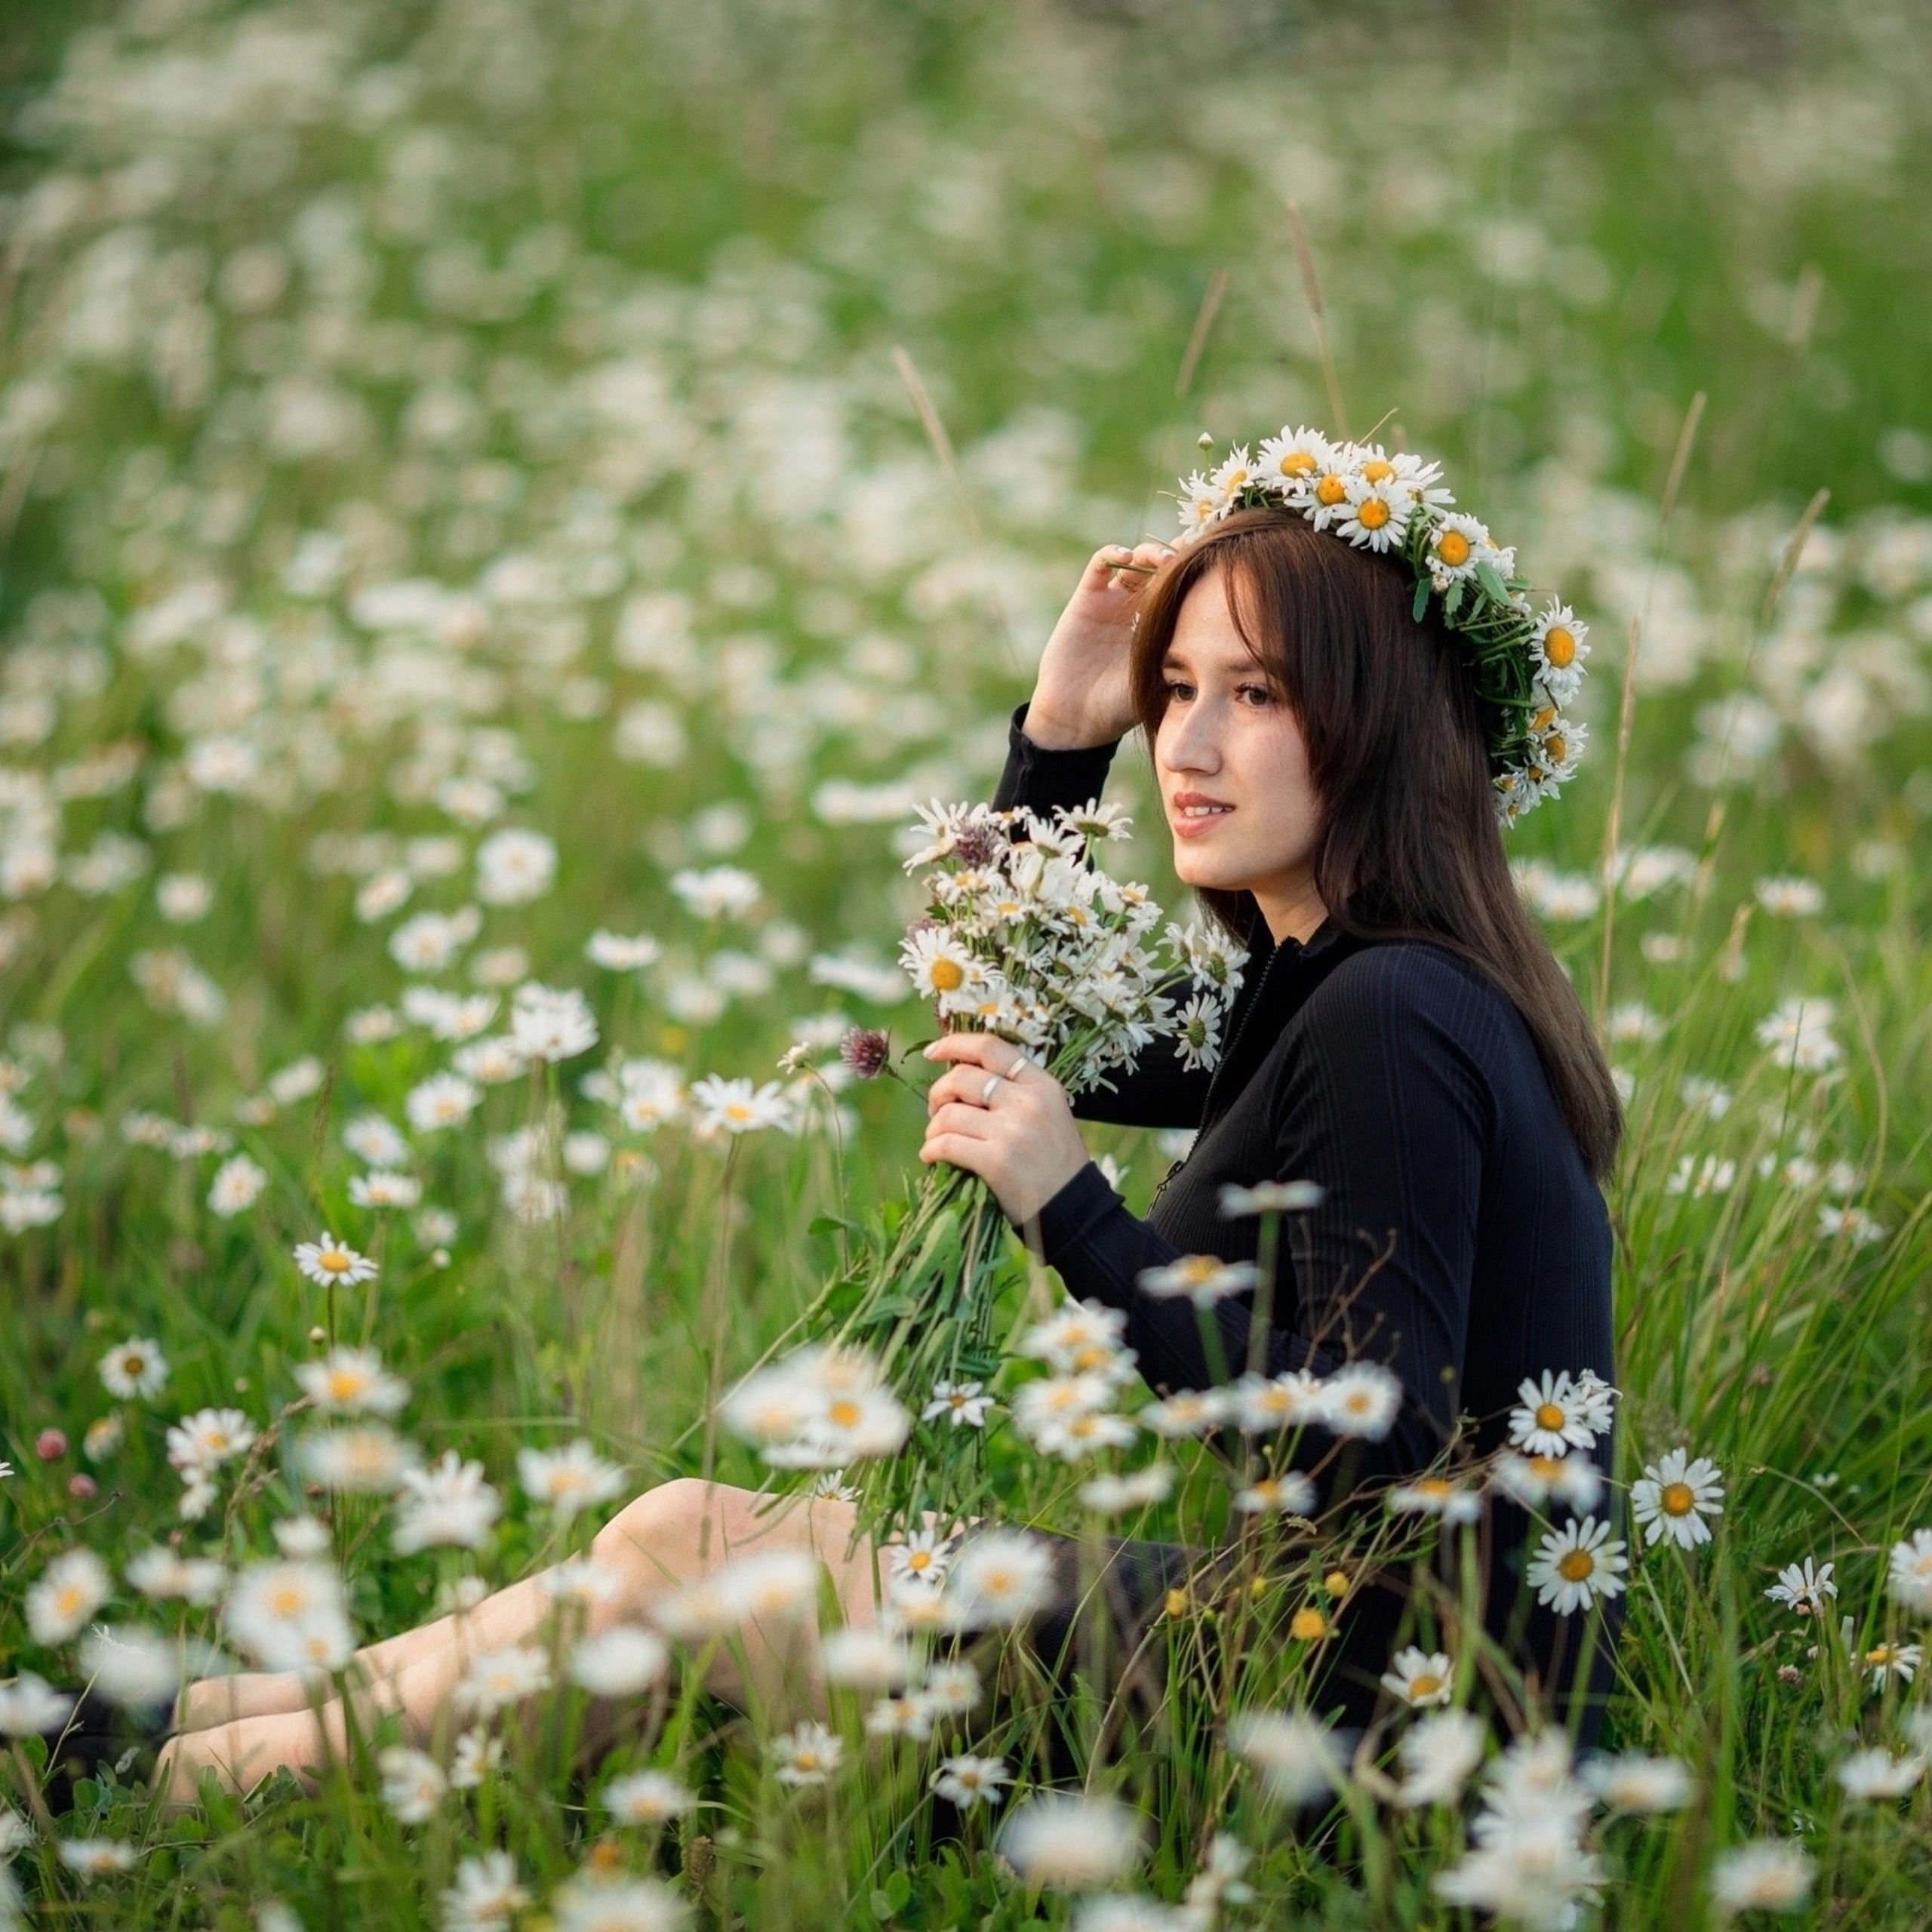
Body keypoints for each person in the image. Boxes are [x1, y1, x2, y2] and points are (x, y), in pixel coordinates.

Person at [142, 480, 1622, 1808]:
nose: (1189, 739)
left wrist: (1077, 1216)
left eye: (1254, 692)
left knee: (685, 1576)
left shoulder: (1388, 1011)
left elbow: (1365, 1429)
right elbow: (1006, 1004)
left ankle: (175, 1787)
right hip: (1320, 1642)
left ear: (1378, 727)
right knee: (677, 1531)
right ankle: (188, 1732)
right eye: (1173, 689)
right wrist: (1055, 733)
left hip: (1376, 1718)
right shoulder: (1331, 981)